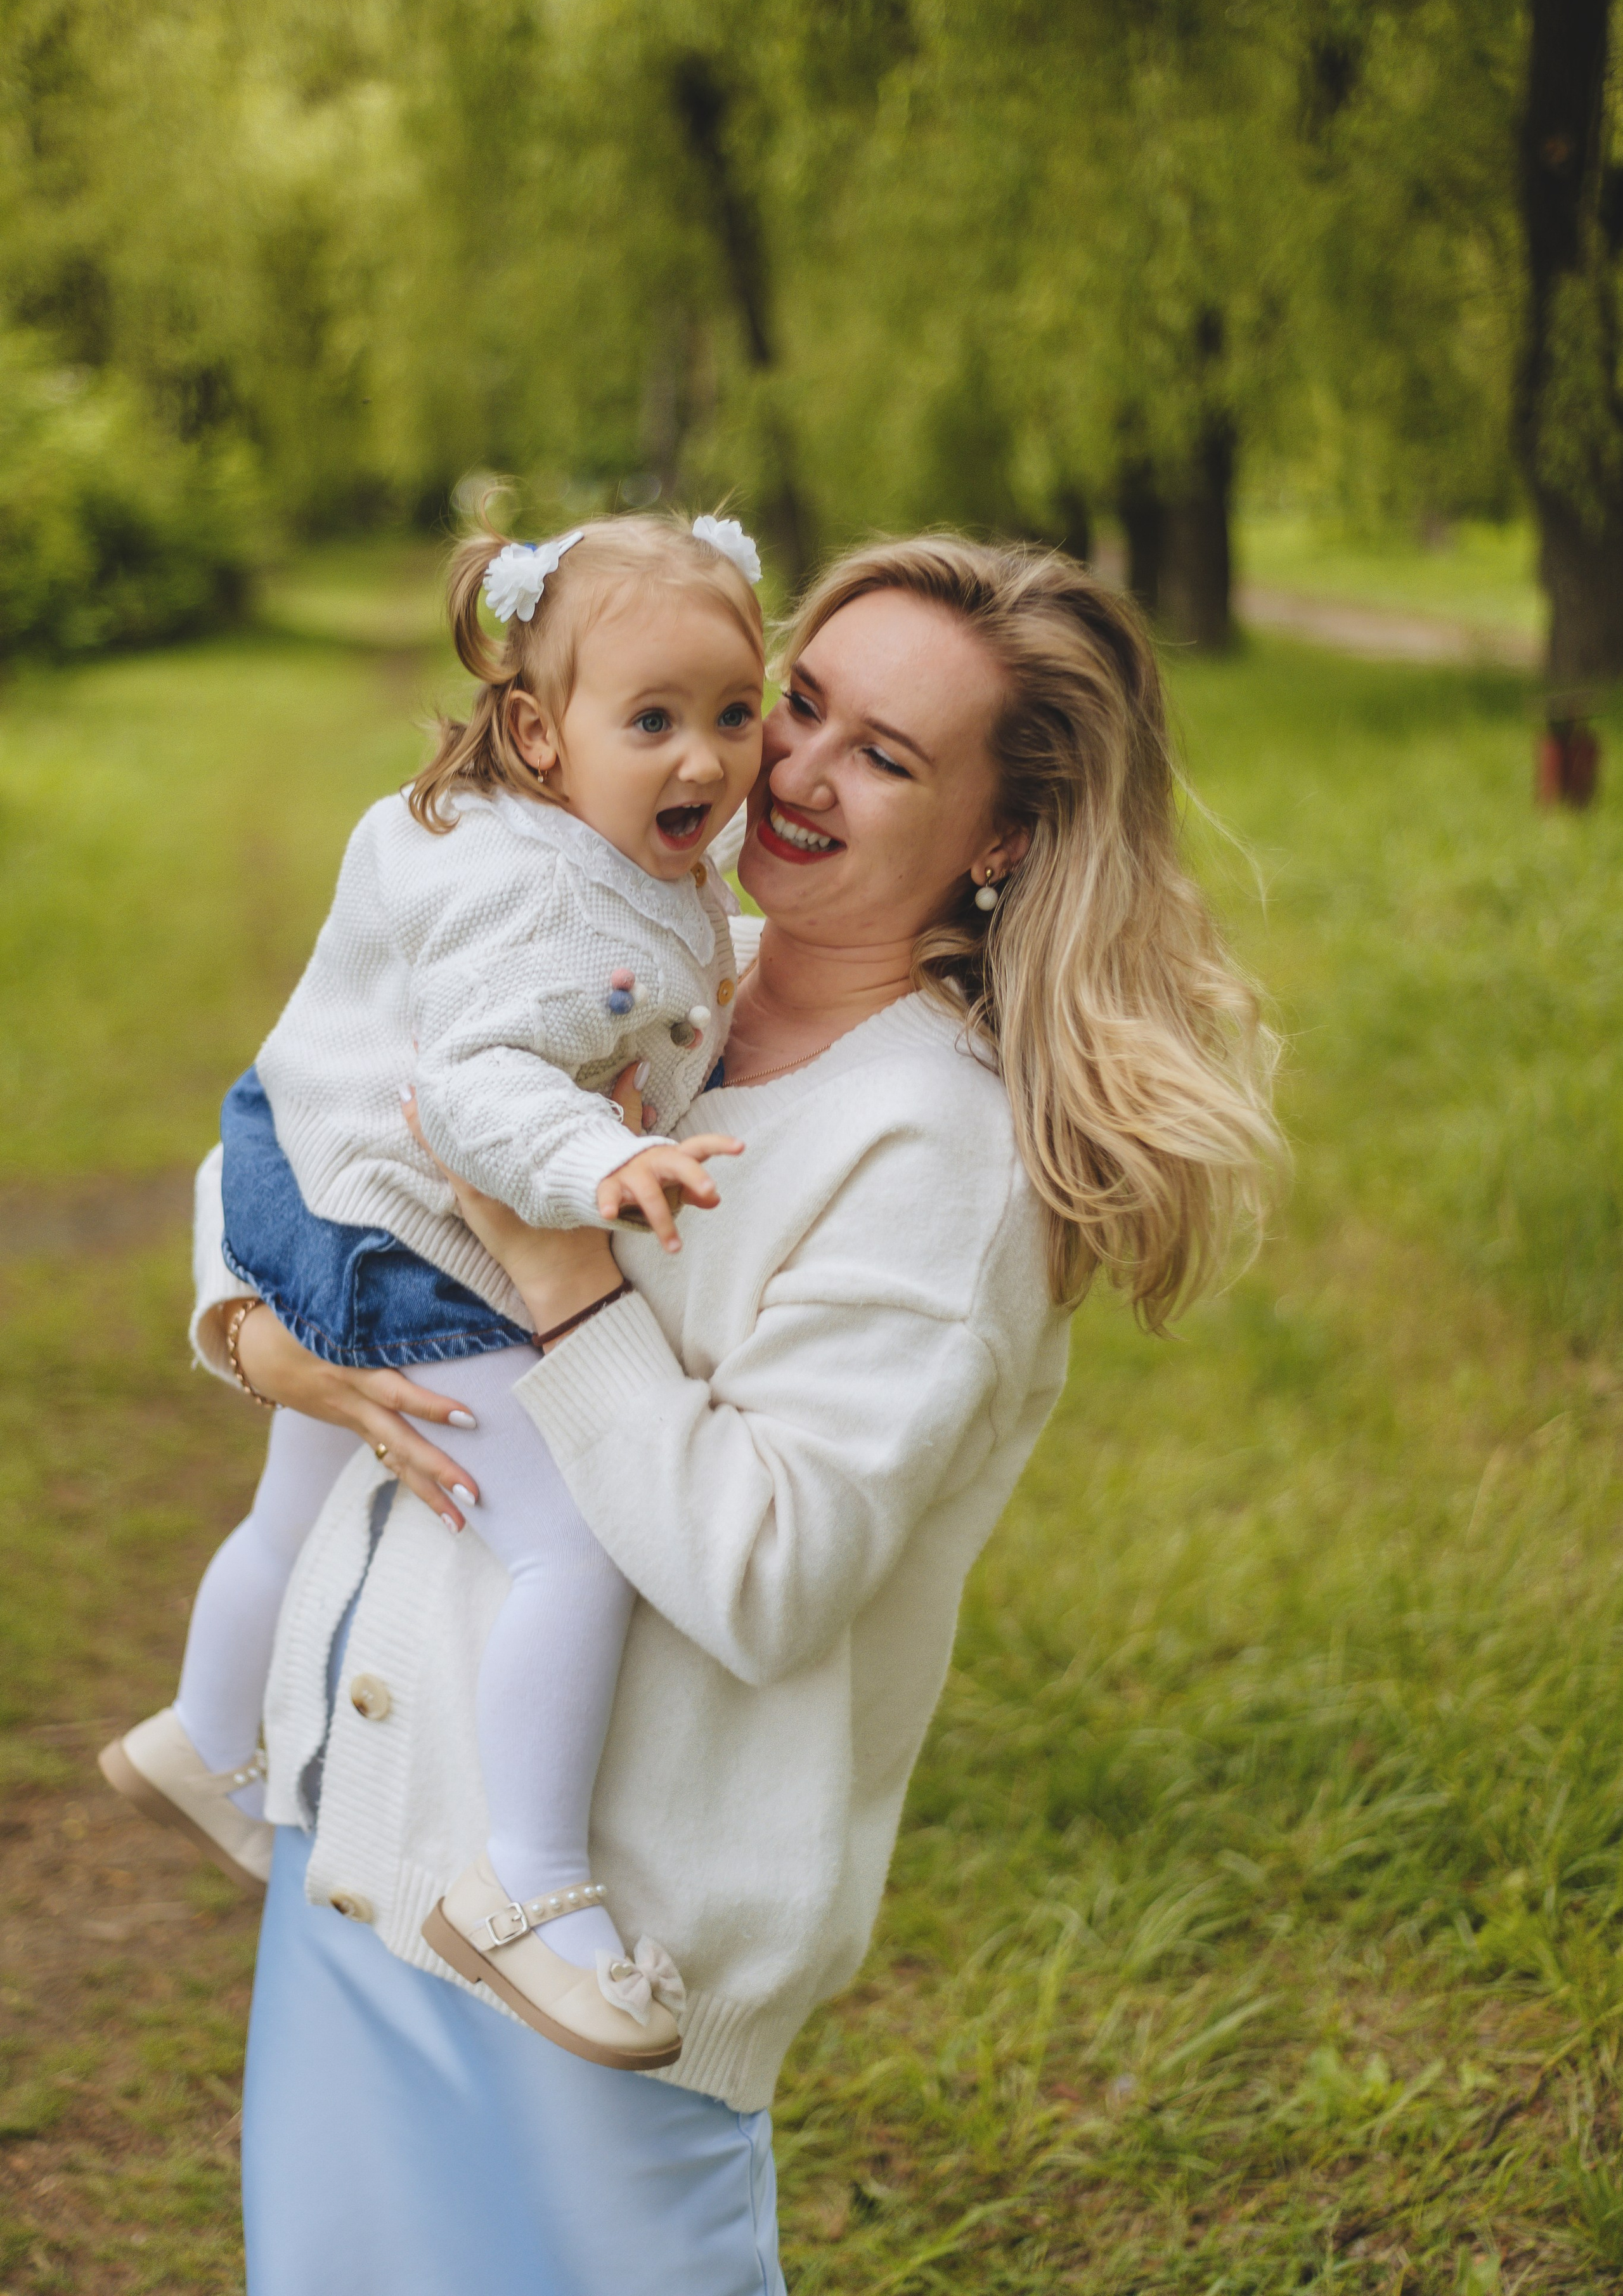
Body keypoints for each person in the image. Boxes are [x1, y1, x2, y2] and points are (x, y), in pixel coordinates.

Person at [188, 536, 1280, 2296]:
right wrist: (257, 1336)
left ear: (1001, 841)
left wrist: (563, 1282)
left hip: (605, 1970)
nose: (790, 764)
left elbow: (768, 1575)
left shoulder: (940, 1151)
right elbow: (322, 1102)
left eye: (887, 755)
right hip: (370, 1850)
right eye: (804, 703)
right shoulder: (648, 952)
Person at [101, 512, 768, 2070]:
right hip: (401, 1238)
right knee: (573, 1549)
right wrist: (594, 1158)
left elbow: (640, 964)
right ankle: (523, 1885)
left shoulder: (527, 834)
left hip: (301, 1169)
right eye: (653, 722)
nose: (706, 764)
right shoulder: (547, 903)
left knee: (290, 1508)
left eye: (734, 714)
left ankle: (203, 1736)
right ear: (541, 733)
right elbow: (480, 1080)